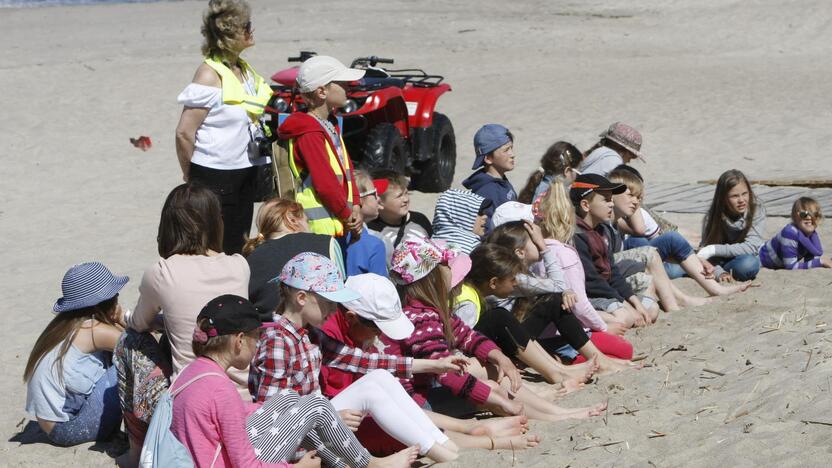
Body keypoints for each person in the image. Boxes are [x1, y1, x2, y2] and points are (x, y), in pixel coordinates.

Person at [249, 253, 463, 463]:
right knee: (371, 389)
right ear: (302, 298)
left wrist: (434, 364)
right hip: (292, 443)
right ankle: (446, 456)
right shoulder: (277, 340)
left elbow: (363, 361)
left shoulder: (310, 335)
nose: (334, 309)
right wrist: (329, 417)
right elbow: (272, 413)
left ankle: (445, 448)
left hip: (311, 427)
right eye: (328, 301)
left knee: (379, 376)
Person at [171, 294, 417, 468]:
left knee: (289, 398)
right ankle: (371, 464)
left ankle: (345, 465)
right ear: (239, 341)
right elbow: (245, 465)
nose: (258, 345)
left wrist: (283, 410)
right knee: (316, 406)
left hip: (208, 458)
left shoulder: (194, 373)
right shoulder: (220, 389)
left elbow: (231, 416)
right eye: (256, 339)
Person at [390, 236, 608, 422]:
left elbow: (468, 335)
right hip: (422, 403)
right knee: (492, 387)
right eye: (446, 265)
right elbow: (445, 372)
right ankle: (555, 414)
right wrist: (490, 396)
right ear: (432, 277)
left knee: (496, 371)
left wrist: (497, 355)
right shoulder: (420, 319)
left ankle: (556, 412)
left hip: (431, 391)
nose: (452, 270)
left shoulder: (430, 311)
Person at [321, 274, 540, 455]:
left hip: (373, 410)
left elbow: (382, 369)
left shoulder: (354, 334)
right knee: (395, 427)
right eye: (378, 329)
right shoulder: (328, 338)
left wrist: (436, 365)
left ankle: (468, 430)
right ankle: (475, 437)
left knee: (394, 407)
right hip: (336, 423)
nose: (380, 336)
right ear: (351, 318)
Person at [126, 183, 250, 388]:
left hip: (192, 394)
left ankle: (136, 421)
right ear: (216, 222)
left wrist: (123, 316)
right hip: (240, 394)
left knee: (128, 339)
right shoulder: (240, 265)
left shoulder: (162, 273)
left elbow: (139, 322)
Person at [175, 0, 272, 254]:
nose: (252, 31)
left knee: (238, 246)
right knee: (213, 249)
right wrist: (191, 178)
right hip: (214, 177)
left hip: (244, 173)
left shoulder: (244, 70)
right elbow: (184, 132)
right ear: (229, 34)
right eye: (246, 26)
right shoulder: (209, 74)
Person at [485, 223, 636, 374]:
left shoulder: (521, 274)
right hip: (511, 344)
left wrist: (564, 291)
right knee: (554, 301)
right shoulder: (514, 278)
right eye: (534, 240)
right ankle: (593, 361)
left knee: (622, 350)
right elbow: (558, 286)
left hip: (523, 340)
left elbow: (556, 287)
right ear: (520, 252)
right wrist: (545, 249)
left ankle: (583, 360)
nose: (540, 240)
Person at [458, 244, 596, 389]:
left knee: (550, 301)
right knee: (499, 317)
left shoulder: (480, 292)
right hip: (472, 360)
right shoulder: (468, 303)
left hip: (488, 349)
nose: (516, 283)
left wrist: (565, 291)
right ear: (493, 282)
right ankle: (556, 373)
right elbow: (460, 344)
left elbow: (554, 287)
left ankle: (559, 369)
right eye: (512, 279)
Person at [24, 262, 125, 446]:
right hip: (67, 429)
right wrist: (120, 319)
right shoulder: (94, 330)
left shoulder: (63, 327)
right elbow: (142, 347)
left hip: (53, 426)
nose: (118, 300)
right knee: (131, 365)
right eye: (115, 297)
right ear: (100, 306)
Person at [607, 167, 747, 297]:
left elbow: (663, 243)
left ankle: (715, 288)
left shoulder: (621, 218)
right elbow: (640, 230)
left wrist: (700, 260)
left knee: (669, 239)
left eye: (639, 197)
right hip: (621, 270)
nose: (636, 202)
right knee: (747, 265)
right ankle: (679, 298)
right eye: (631, 195)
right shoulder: (607, 221)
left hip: (654, 259)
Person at [278, 55, 365, 240]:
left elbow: (346, 169)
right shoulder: (310, 133)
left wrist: (356, 204)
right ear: (321, 92)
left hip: (337, 222)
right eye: (342, 83)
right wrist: (346, 213)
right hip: (318, 230)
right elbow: (325, 183)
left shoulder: (328, 124)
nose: (349, 87)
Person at [569, 174, 658, 327]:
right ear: (585, 205)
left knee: (652, 308)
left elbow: (613, 273)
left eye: (611, 199)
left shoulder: (601, 229)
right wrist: (624, 304)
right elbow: (592, 282)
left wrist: (635, 302)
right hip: (588, 296)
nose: (611, 204)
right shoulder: (576, 235)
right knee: (626, 318)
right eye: (606, 199)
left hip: (607, 293)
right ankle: (579, 321)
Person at [243, 198, 344, 317]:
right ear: (292, 220)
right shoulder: (328, 243)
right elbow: (341, 295)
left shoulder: (250, 259)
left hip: (267, 331)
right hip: (320, 329)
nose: (309, 227)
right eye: (308, 221)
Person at [697, 169, 765, 281]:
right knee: (673, 271)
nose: (741, 200)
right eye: (734, 196)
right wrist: (719, 273)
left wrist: (713, 249)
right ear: (723, 198)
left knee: (750, 264)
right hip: (717, 262)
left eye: (745, 194)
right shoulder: (712, 216)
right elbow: (705, 254)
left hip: (741, 259)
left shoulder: (757, 209)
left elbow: (751, 247)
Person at [367, 170, 432, 264]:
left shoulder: (420, 220)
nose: (405, 199)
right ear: (379, 202)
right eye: (399, 196)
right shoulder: (372, 230)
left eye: (406, 193)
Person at [462, 124, 517, 226]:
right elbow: (487, 233)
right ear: (488, 158)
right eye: (506, 150)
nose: (512, 154)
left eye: (511, 148)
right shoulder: (486, 193)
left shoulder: (502, 181)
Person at [760, 197, 832, 270]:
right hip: (760, 259)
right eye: (804, 214)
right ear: (795, 217)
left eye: (814, 214)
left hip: (778, 264)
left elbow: (813, 258)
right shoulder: (789, 233)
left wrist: (823, 262)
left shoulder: (811, 234)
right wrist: (820, 262)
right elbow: (790, 266)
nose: (809, 218)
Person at [345, 171, 389, 277]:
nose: (378, 198)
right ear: (359, 200)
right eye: (374, 194)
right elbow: (381, 289)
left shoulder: (336, 237)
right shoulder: (374, 245)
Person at [517, 141, 584, 204]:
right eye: (578, 173)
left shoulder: (542, 184)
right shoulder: (552, 196)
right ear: (567, 171)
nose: (577, 177)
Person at [431, 188, 491, 254]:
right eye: (480, 213)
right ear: (462, 216)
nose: (485, 217)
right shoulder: (472, 246)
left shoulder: (431, 242)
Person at [579, 122, 645, 177]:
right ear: (627, 151)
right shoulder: (614, 161)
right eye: (632, 156)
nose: (629, 161)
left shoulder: (598, 151)